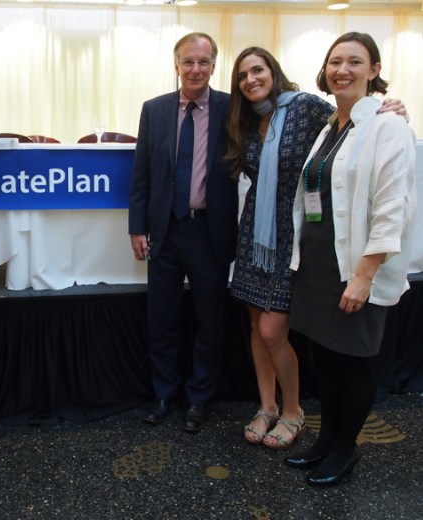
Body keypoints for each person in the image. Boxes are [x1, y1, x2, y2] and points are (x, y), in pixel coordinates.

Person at [225, 48, 407, 451]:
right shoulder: (245, 119)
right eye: (242, 75)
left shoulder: (306, 107)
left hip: (293, 235)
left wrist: (389, 107)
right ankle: (267, 406)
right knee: (256, 326)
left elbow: (353, 119)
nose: (251, 79)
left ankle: (294, 411)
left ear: (273, 70)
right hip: (255, 231)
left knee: (274, 331)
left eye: (258, 70)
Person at [285, 32, 416, 487]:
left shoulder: (388, 125)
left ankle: (346, 448)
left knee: (354, 359)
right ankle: (325, 440)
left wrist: (365, 275)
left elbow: (391, 207)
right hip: (319, 263)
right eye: (335, 61)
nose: (343, 70)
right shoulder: (330, 125)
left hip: (356, 267)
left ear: (374, 70)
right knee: (327, 357)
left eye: (355, 62)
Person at [129, 33, 239, 432]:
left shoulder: (232, 107)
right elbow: (141, 173)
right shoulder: (154, 110)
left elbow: (280, 107)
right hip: (165, 231)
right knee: (163, 317)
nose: (196, 69)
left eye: (204, 62)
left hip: (209, 231)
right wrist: (136, 226)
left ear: (214, 65)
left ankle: (199, 399)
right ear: (176, 65)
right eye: (188, 61)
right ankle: (163, 393)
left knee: (210, 320)